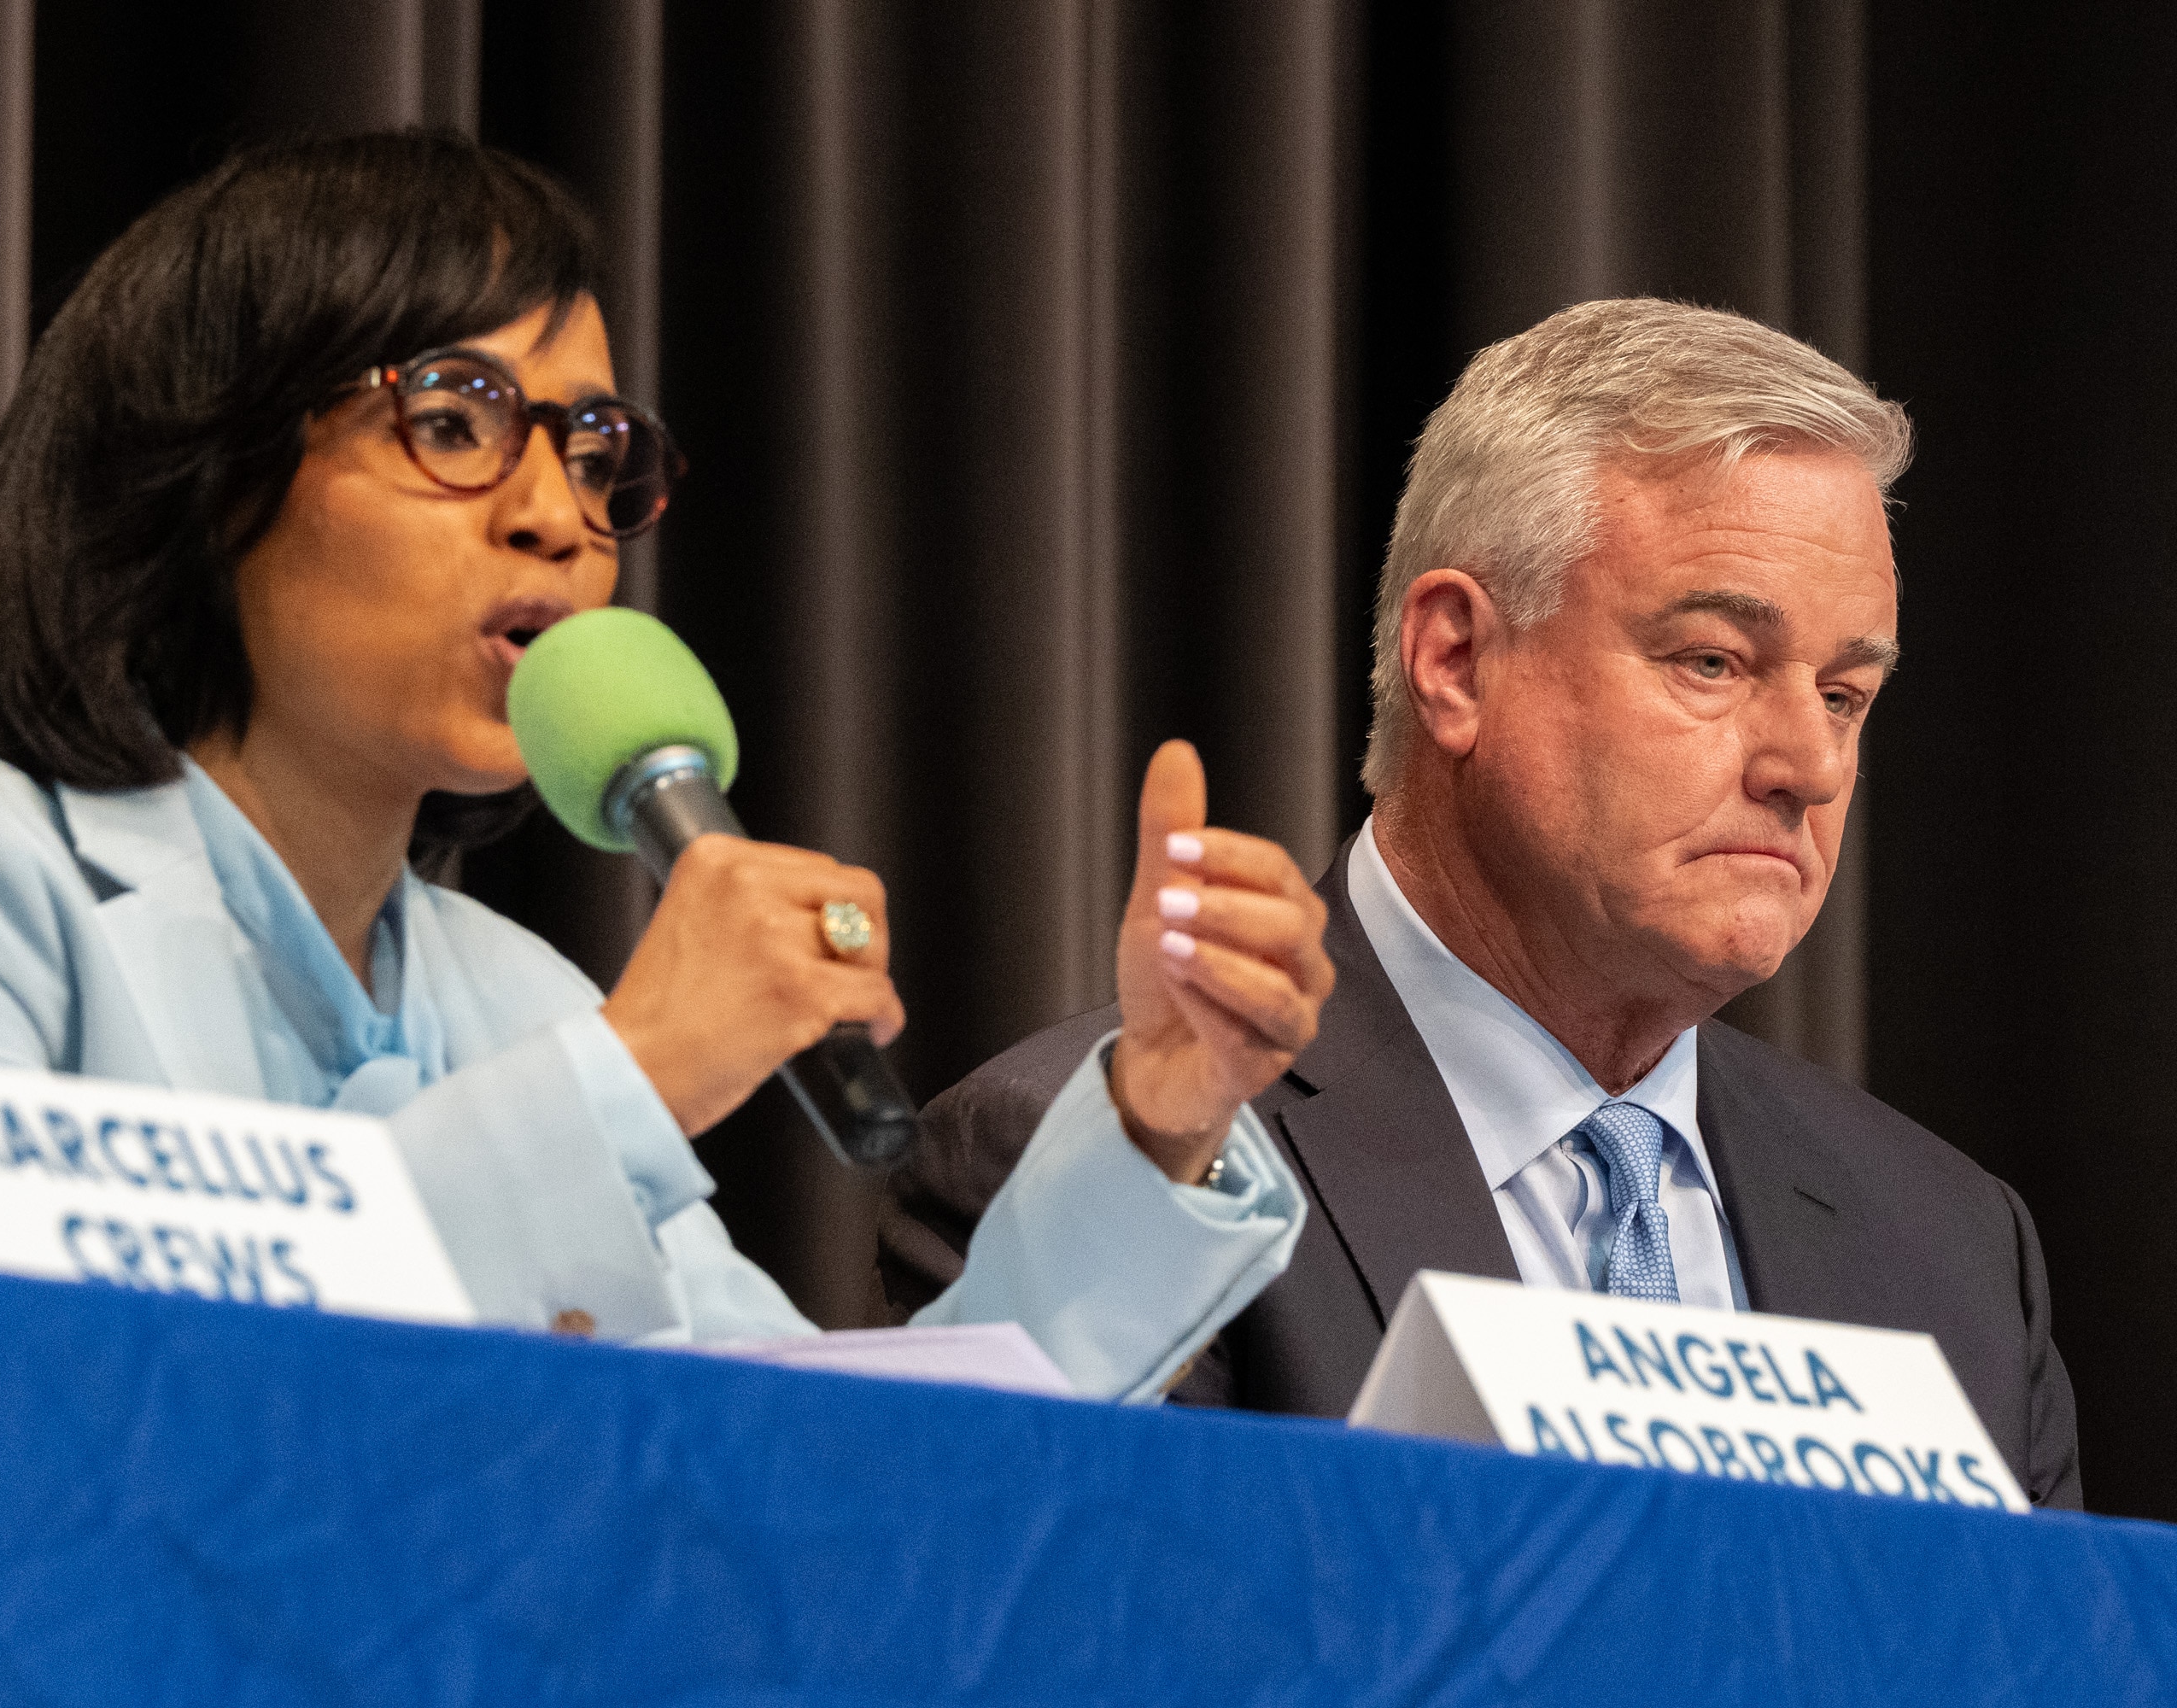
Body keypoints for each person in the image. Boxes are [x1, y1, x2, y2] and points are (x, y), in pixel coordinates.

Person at [0, 132, 1333, 1401]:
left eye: (593, 449)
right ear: (209, 468)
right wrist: (627, 1086)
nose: (559, 516)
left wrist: (1154, 1121)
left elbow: (839, 1468)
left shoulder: (524, 1001)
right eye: (458, 419)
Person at [883, 297, 2081, 1502]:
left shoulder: (1956, 1251)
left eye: (1840, 694)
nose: (1808, 767)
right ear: (1455, 660)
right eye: (1713, 661)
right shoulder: (1108, 1167)